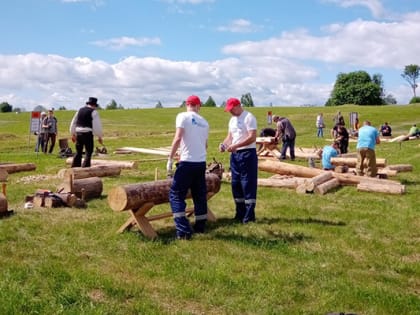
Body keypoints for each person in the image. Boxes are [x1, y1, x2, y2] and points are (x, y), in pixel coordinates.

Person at [166, 95, 209, 240]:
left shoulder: (182, 116)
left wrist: (170, 158)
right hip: (200, 162)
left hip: (187, 162)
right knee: (199, 195)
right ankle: (200, 226)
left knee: (176, 195)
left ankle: (183, 231)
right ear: (199, 106)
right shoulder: (204, 122)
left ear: (187, 104)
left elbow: (178, 137)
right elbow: (205, 144)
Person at [220, 97, 257, 224]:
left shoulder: (249, 117)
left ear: (238, 106)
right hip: (235, 155)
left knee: (247, 183)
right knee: (236, 184)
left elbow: (252, 137)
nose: (230, 112)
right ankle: (239, 213)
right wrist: (224, 145)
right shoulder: (232, 120)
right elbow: (230, 137)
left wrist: (237, 146)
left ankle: (249, 215)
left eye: (231, 109)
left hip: (247, 154)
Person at [69, 97, 104, 168]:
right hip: (87, 134)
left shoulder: (79, 110)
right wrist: (99, 136)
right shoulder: (94, 112)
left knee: (78, 151)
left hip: (78, 133)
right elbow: (97, 126)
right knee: (88, 152)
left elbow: (73, 122)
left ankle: (74, 167)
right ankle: (85, 168)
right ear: (94, 105)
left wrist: (73, 133)